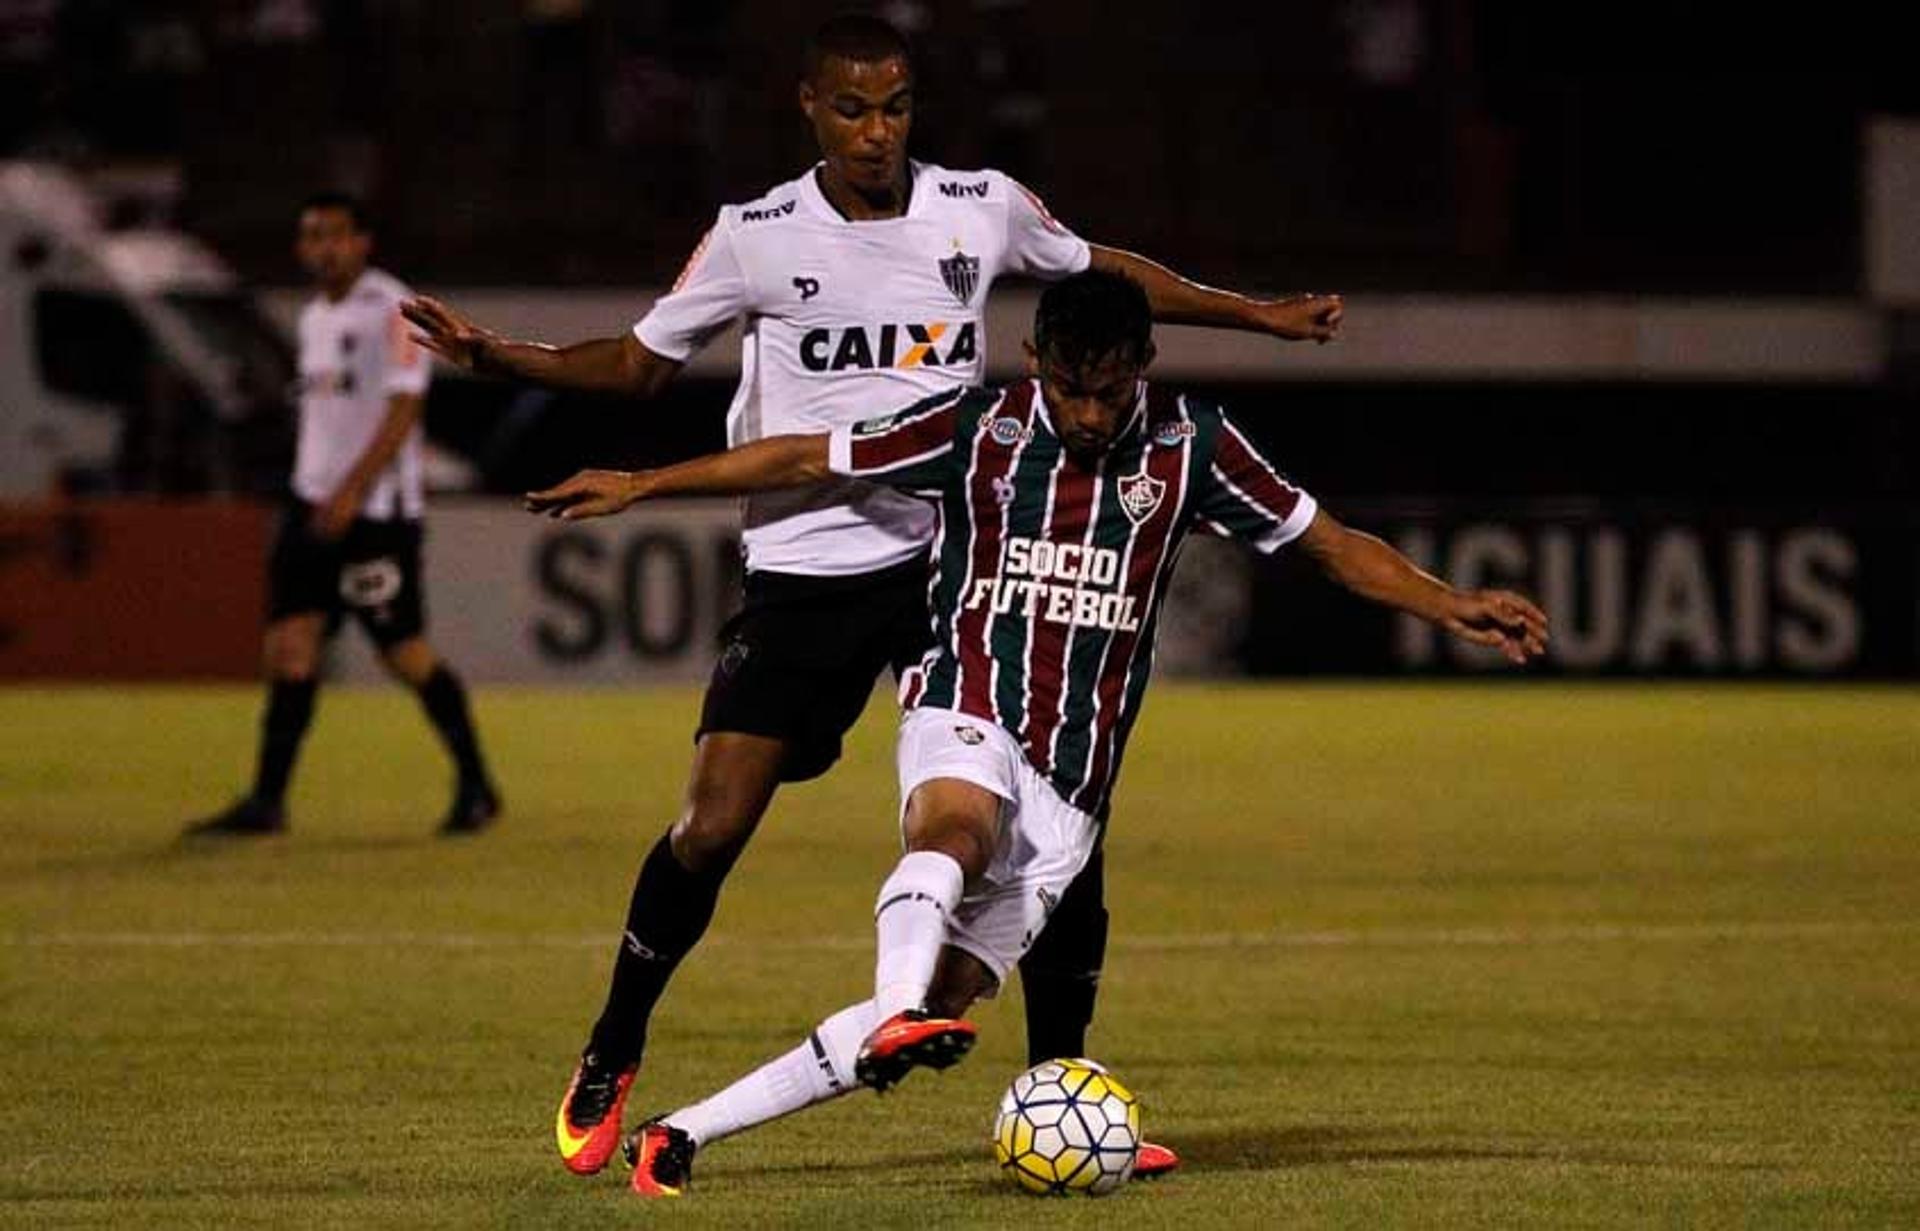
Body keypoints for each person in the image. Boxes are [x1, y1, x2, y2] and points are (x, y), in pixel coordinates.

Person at [401, 14, 1342, 1180]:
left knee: (1060, 830)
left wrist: (1254, 313)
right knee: (712, 824)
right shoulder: (753, 235)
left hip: (959, 563)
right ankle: (614, 1040)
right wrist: (502, 358)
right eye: (852, 109)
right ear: (809, 108)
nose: (876, 131)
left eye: (895, 107)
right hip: (806, 568)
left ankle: (1061, 1089)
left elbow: (1103, 274)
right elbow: (640, 365)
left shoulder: (979, 204)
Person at [524, 267, 1547, 1197]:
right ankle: (894, 1000)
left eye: (1108, 390)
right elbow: (806, 452)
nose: (1090, 412)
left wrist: (1448, 601)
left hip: (1074, 782)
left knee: (950, 1003)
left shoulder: (1197, 446)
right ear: (1035, 363)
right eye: (1070, 388)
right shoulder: (977, 430)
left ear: (1145, 365)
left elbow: (1328, 544)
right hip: (963, 697)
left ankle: (682, 1133)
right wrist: (642, 482)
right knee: (953, 833)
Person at [186, 193, 500, 839]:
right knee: (290, 647)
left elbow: (405, 407)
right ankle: (267, 801)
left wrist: (355, 488)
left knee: (402, 652)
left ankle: (477, 785)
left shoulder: (395, 309)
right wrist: (316, 488)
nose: (322, 247)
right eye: (311, 236)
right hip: (311, 502)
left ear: (363, 241)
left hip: (375, 512)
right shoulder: (313, 318)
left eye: (335, 235)